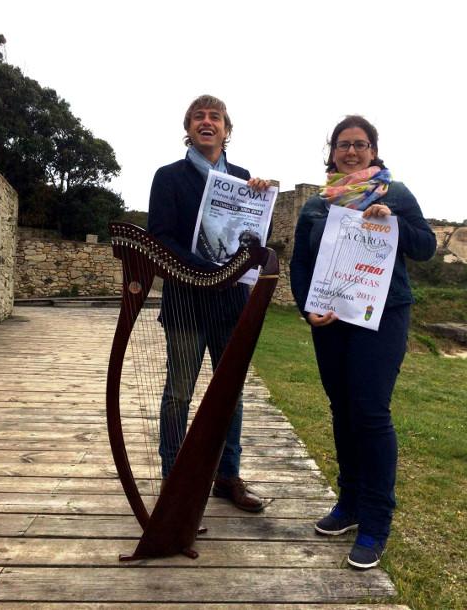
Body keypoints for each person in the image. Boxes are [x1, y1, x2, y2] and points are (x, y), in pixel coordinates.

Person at [290, 115, 436, 569]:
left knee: (371, 413)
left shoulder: (396, 193)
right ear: (331, 151)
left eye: (360, 144)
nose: (351, 151)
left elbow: (426, 246)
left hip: (383, 315)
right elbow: (300, 263)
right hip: (332, 316)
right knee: (341, 408)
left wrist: (393, 221)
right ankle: (349, 504)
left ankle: (376, 522)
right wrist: (305, 307)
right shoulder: (317, 204)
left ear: (373, 150)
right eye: (342, 144)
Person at [147, 94, 270, 512]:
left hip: (230, 304)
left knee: (230, 394)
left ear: (226, 129)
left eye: (214, 117)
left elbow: (251, 238)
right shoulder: (168, 177)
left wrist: (259, 197)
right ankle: (172, 478)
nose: (206, 122)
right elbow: (160, 236)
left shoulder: (242, 177)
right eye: (198, 116)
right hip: (185, 300)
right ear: (188, 127)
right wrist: (203, 268)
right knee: (178, 393)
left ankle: (227, 476)